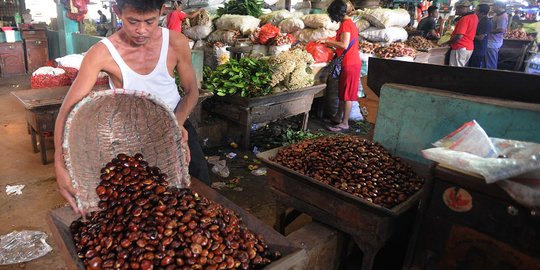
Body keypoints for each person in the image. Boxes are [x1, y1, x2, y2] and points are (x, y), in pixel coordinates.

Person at [53, 0, 209, 215]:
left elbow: (192, 91)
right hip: (133, 137)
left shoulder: (175, 42)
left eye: (150, 21)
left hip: (176, 122)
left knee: (200, 187)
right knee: (138, 205)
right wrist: (59, 165)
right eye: (133, 21)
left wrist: (175, 125)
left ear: (162, 11)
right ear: (118, 12)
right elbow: (67, 110)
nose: (141, 31)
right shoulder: (102, 53)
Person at [321, 0, 361, 132]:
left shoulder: (346, 25)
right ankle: (338, 118)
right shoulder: (348, 23)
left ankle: (345, 123)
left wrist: (328, 42)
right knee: (343, 93)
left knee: (347, 95)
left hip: (350, 63)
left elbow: (344, 44)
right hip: (349, 62)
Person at [445, 0, 478, 67]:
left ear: (463, 8)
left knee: (455, 71)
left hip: (460, 48)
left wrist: (447, 43)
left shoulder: (464, 19)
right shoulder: (475, 17)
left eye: (457, 9)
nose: (456, 11)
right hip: (468, 47)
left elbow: (459, 36)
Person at [486, 2, 508, 69]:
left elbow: (501, 30)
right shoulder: (498, 15)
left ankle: (491, 77)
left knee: (491, 62)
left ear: (499, 6)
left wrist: (488, 31)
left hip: (493, 42)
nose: (492, 8)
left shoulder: (502, 16)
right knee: (488, 61)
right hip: (492, 41)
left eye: (493, 6)